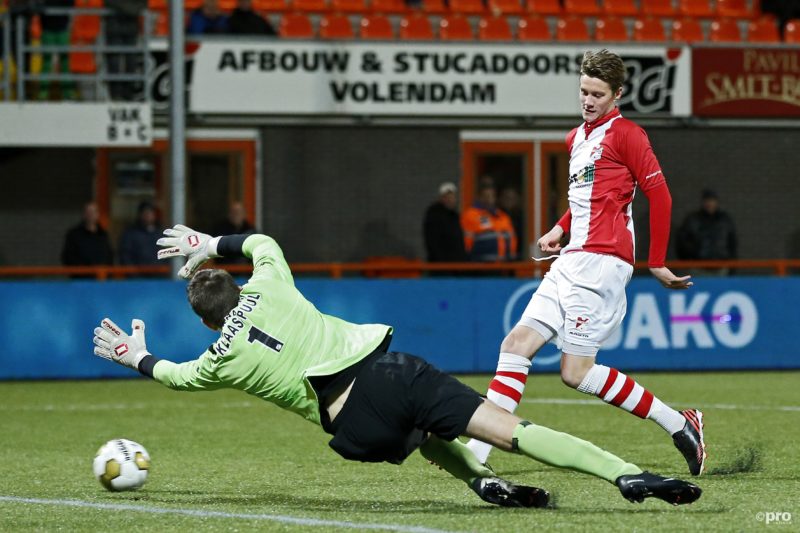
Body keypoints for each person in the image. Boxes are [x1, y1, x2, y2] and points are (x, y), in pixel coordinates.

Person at [92, 224, 702, 508]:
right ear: (237, 284)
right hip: (386, 373)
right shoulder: (270, 283)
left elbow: (174, 374)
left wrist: (134, 356)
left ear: (204, 320)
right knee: (510, 431)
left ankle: (479, 482)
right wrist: (206, 243)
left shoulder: (217, 360)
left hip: (355, 430)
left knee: (422, 436)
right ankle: (625, 473)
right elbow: (261, 243)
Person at [464, 50, 707, 478]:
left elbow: (660, 195)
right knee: (515, 345)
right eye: (583, 91)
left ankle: (678, 422)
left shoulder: (628, 134)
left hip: (602, 265)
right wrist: (560, 228)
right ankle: (477, 454)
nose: (588, 100)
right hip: (571, 259)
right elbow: (587, 198)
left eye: (598, 93)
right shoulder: (576, 138)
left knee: (575, 373)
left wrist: (656, 261)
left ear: (617, 94)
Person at [676, 189, 737, 275]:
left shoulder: (725, 220)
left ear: (716, 202)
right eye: (707, 200)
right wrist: (690, 258)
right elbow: (682, 242)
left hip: (721, 267)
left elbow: (732, 243)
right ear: (702, 202)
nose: (709, 203)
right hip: (698, 267)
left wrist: (731, 264)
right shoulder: (693, 219)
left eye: (712, 200)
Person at [461, 180, 517, 263]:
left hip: (505, 265)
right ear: (479, 197)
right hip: (481, 265)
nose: (489, 199)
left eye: (492, 196)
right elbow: (466, 242)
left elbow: (511, 238)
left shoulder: (502, 216)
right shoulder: (471, 215)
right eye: (486, 196)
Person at [422, 182, 468, 271]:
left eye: (452, 196)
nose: (450, 199)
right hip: (441, 268)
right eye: (447, 196)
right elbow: (432, 242)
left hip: (457, 267)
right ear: (441, 198)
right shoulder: (433, 215)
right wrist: (441, 263)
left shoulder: (455, 216)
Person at [38, 0, 76, 101]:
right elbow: (38, 5)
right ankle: (43, 93)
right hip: (47, 29)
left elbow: (71, 4)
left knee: (65, 62)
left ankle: (67, 93)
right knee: (46, 62)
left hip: (62, 29)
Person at [61, 201, 113, 268]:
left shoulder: (103, 234)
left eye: (93, 212)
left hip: (101, 276)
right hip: (81, 276)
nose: (91, 215)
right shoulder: (74, 235)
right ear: (84, 214)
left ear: (97, 214)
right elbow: (68, 256)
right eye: (88, 212)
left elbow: (109, 256)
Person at [119, 201, 162, 266]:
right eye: (145, 212)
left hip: (161, 274)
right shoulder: (130, 234)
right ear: (140, 214)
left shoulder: (161, 234)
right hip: (137, 274)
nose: (148, 215)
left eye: (150, 212)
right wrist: (134, 275)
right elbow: (125, 257)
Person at [497, 187, 523, 260]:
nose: (509, 201)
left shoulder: (523, 219)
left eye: (512, 198)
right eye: (506, 198)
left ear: (518, 200)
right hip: (500, 258)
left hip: (519, 257)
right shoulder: (496, 216)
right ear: (500, 199)